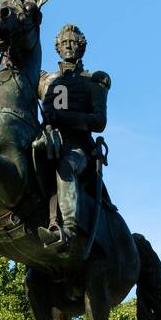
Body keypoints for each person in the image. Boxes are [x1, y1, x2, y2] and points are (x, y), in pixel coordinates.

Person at [36, 24, 111, 254]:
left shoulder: (94, 81)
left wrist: (64, 117)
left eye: (74, 42)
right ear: (57, 47)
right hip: (47, 141)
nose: (69, 45)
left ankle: (67, 230)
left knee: (66, 167)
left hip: (77, 147)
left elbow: (99, 121)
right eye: (64, 42)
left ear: (83, 47)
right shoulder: (44, 80)